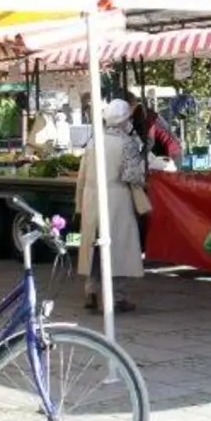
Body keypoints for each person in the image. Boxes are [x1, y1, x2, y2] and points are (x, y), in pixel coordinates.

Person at [75, 98, 147, 313]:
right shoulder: (127, 143)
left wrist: (80, 202)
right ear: (125, 119)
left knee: (94, 248)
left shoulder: (93, 142)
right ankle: (117, 297)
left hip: (91, 198)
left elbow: (81, 175)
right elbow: (133, 175)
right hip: (117, 199)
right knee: (118, 248)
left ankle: (91, 291)